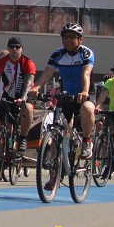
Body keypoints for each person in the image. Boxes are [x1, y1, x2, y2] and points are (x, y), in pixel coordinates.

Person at [32, 24, 96, 162]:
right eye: (65, 37)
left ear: (80, 40)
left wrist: (84, 91)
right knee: (56, 128)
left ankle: (86, 141)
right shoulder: (57, 54)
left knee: (87, 108)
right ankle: (54, 164)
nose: (68, 40)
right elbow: (47, 74)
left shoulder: (86, 53)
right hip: (66, 96)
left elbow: (86, 74)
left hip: (84, 95)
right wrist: (35, 88)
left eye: (72, 37)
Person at [0, 37, 36, 160]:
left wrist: (22, 99)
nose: (14, 49)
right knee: (4, 127)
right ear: (8, 48)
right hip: (7, 96)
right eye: (12, 47)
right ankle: (0, 156)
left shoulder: (27, 62)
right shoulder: (2, 62)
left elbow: (28, 83)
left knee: (28, 108)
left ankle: (23, 138)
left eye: (17, 47)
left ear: (21, 49)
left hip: (23, 96)